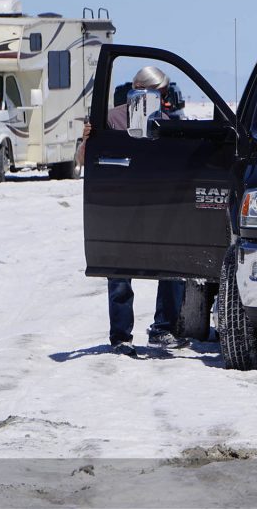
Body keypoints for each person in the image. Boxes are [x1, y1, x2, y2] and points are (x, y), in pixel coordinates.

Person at [77, 66, 187, 356]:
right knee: (119, 272)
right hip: (119, 204)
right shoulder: (111, 118)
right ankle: (121, 335)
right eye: (159, 93)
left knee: (172, 266)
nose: (163, 100)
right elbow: (84, 160)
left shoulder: (165, 121)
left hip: (153, 202)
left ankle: (164, 328)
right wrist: (88, 137)